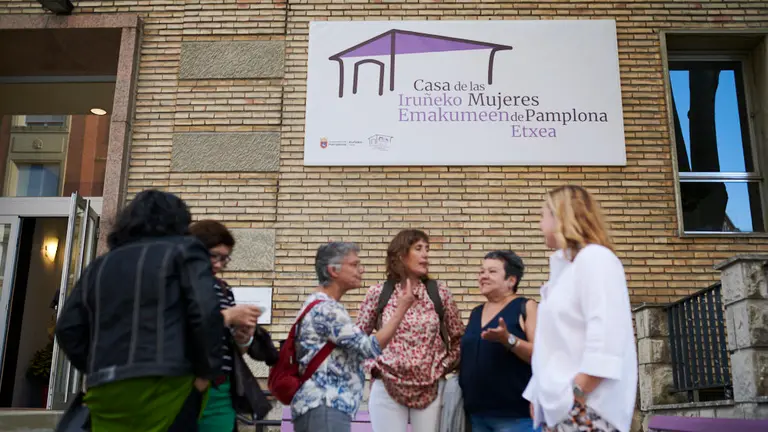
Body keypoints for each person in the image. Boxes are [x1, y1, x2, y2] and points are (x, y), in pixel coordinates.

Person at [55, 190, 225, 432]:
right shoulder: (186, 250)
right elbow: (206, 312)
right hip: (167, 384)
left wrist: (97, 366)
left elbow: (67, 328)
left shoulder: (100, 265)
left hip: (105, 389)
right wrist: (206, 372)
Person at [523, 185, 637, 432]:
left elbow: (606, 333)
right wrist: (537, 393)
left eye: (543, 215)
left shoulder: (596, 259)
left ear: (561, 216)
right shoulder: (567, 271)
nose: (539, 224)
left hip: (589, 409)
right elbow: (553, 344)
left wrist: (576, 395)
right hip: (566, 409)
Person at [291, 242, 416, 432]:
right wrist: (401, 310)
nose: (361, 270)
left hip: (319, 406)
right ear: (333, 270)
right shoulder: (327, 309)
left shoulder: (316, 303)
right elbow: (369, 348)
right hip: (327, 405)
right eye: (354, 264)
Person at [357, 229, 465, 432]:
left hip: (431, 389)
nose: (426, 254)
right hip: (387, 386)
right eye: (418, 248)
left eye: (427, 249)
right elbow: (357, 340)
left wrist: (442, 367)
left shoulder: (439, 293)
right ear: (401, 255)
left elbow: (460, 339)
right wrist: (373, 366)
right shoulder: (378, 293)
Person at [190, 220, 278, 432]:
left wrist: (243, 338)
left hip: (221, 388)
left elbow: (229, 345)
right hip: (185, 385)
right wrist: (229, 316)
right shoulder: (179, 284)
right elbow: (183, 327)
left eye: (225, 258)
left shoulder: (223, 289)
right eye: (214, 256)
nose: (219, 264)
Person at [460, 250, 539, 432]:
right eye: (481, 272)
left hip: (517, 418)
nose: (483, 276)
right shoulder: (476, 312)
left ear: (511, 280)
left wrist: (508, 339)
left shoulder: (526, 307)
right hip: (477, 417)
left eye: (492, 271)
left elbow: (541, 355)